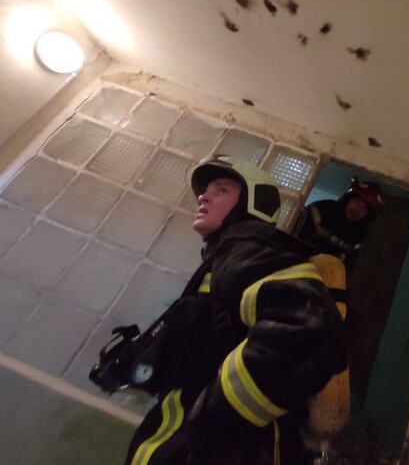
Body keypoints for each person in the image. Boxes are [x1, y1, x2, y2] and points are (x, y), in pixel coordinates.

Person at [119, 155, 348, 465]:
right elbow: (206, 348)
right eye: (205, 191)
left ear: (254, 204)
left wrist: (218, 418)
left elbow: (308, 328)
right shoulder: (226, 257)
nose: (203, 196)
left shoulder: (245, 245)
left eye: (221, 190)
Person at [292, 178, 384, 272]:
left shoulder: (359, 236)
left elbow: (348, 268)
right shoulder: (325, 209)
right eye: (356, 202)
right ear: (348, 199)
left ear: (367, 217)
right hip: (293, 262)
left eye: (363, 209)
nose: (356, 210)